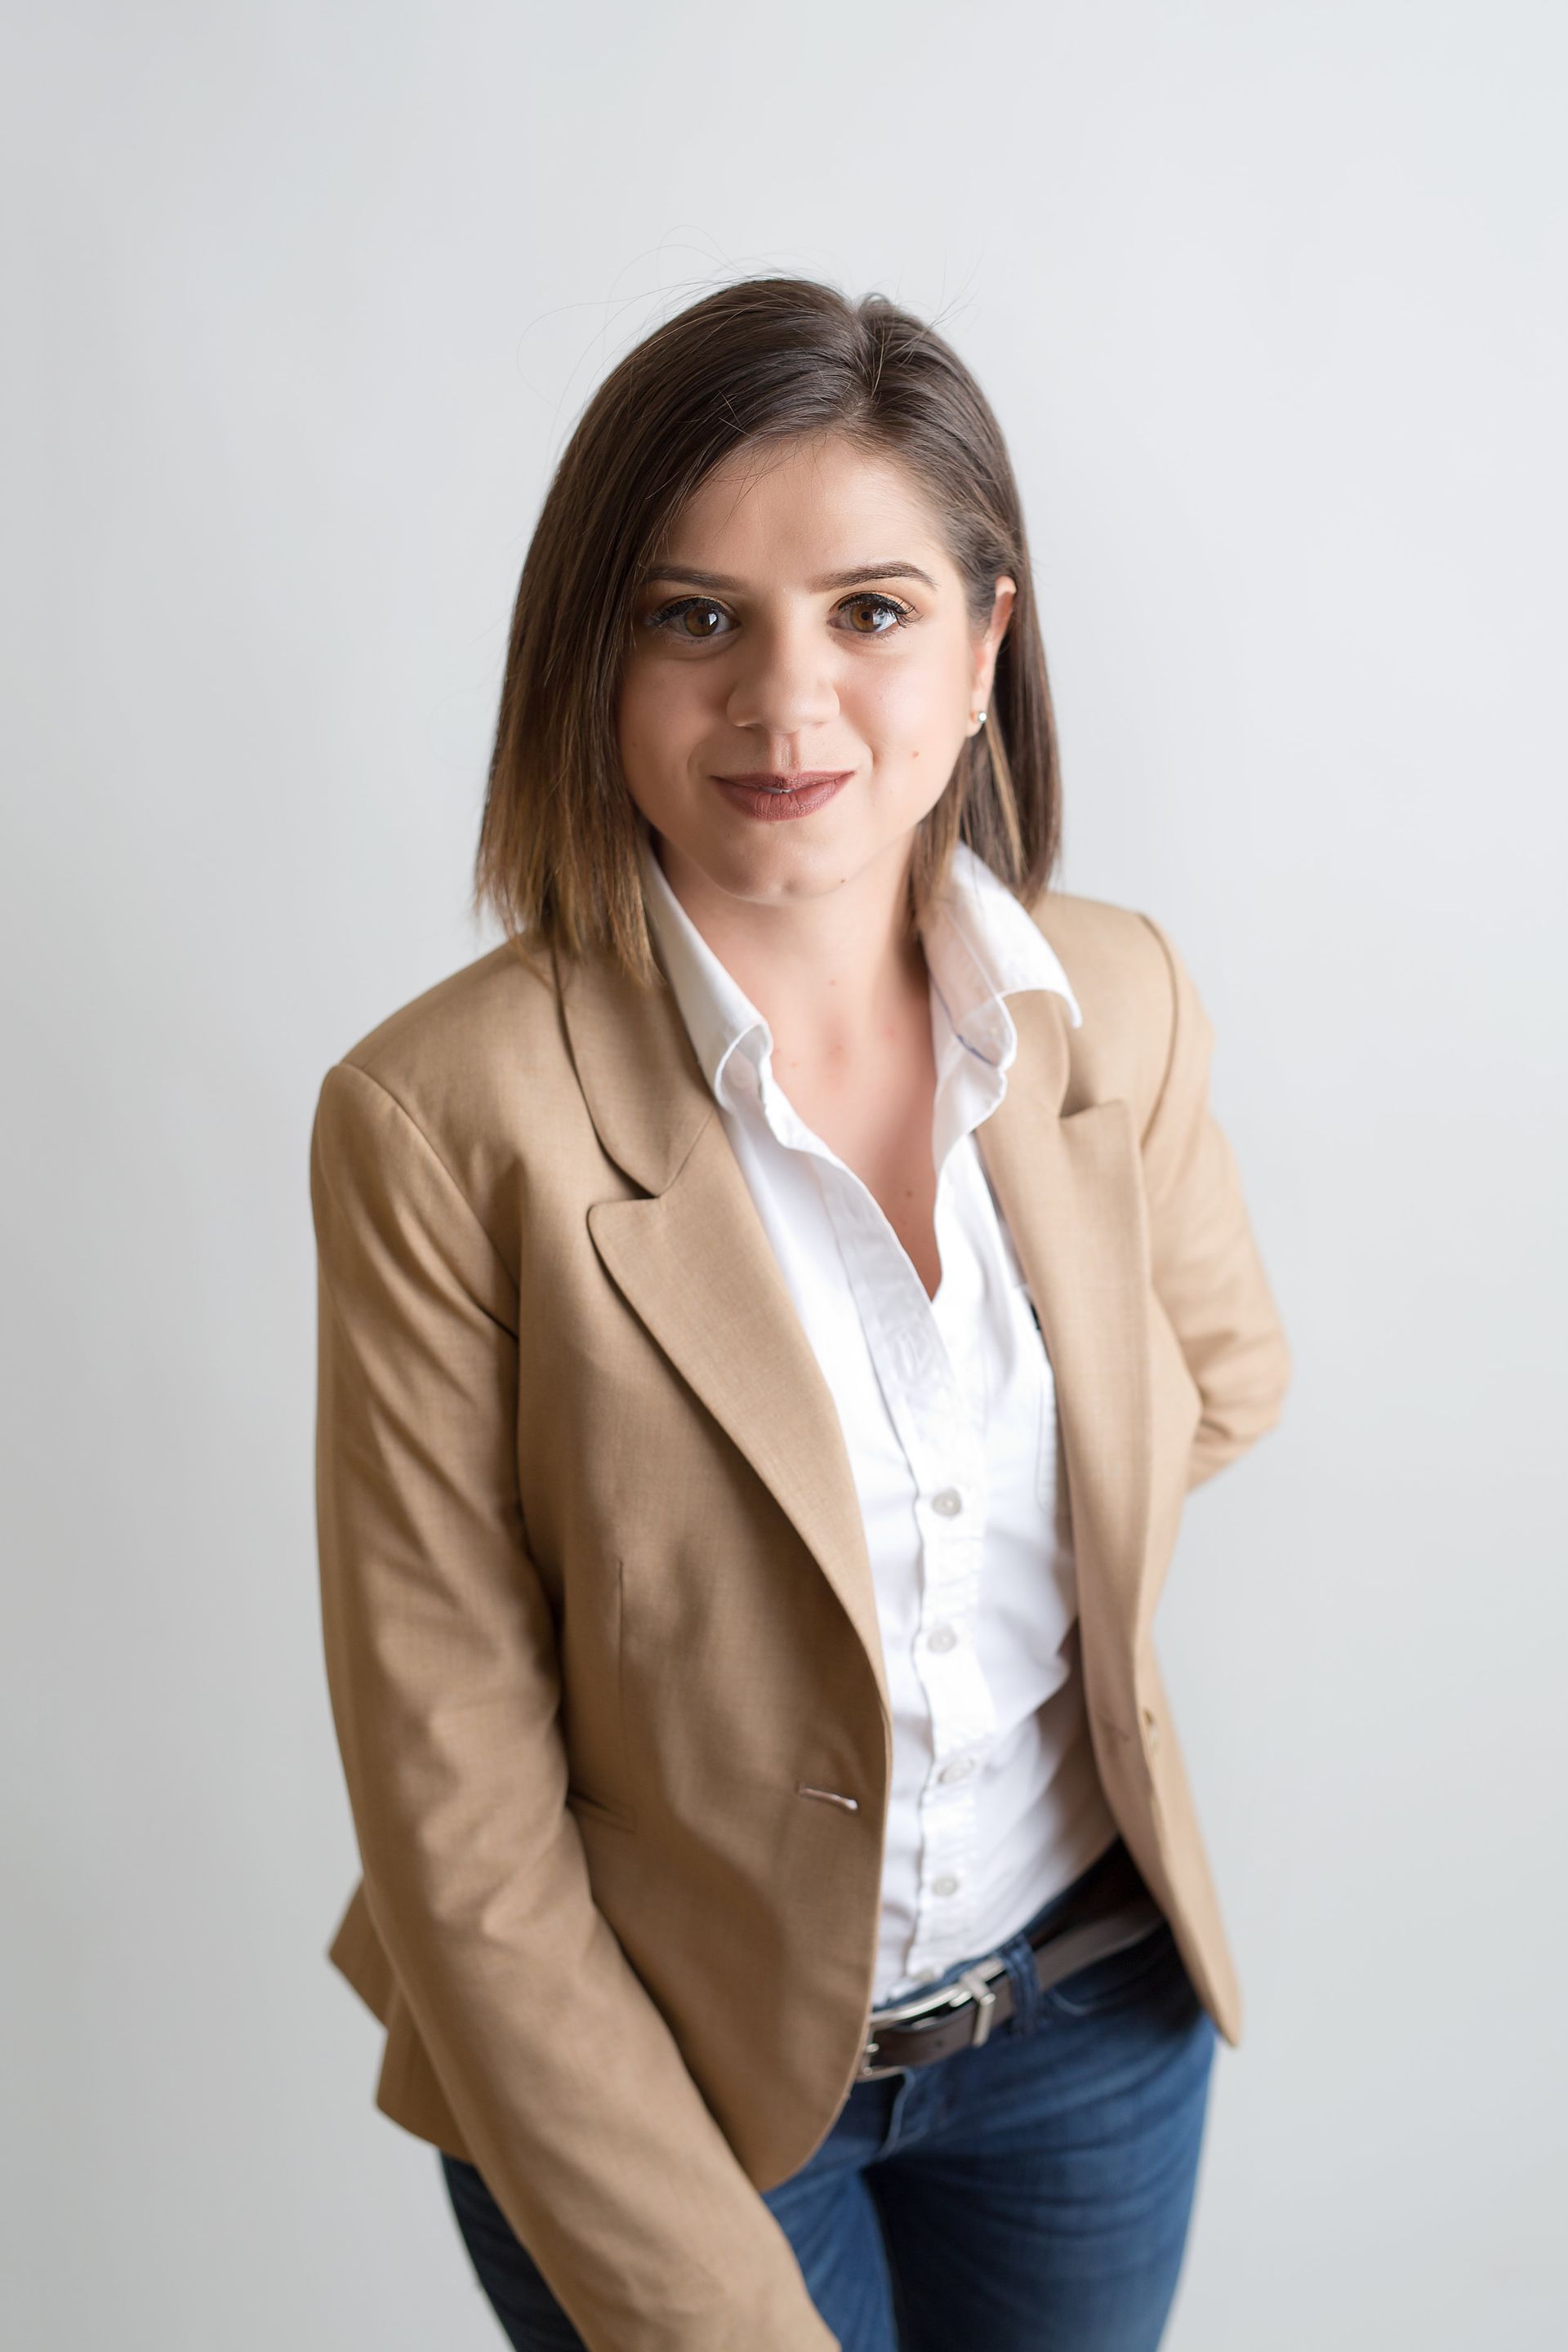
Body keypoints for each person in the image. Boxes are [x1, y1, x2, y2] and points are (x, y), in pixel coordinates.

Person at [310, 277, 1291, 2352]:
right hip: (654, 2075)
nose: (787, 705)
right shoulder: (440, 1119)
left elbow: (1217, 1378)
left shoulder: (1112, 998)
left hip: (1086, 2023)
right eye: (696, 618)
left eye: (870, 611)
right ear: (599, 657)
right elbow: (453, 1824)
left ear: (983, 646)